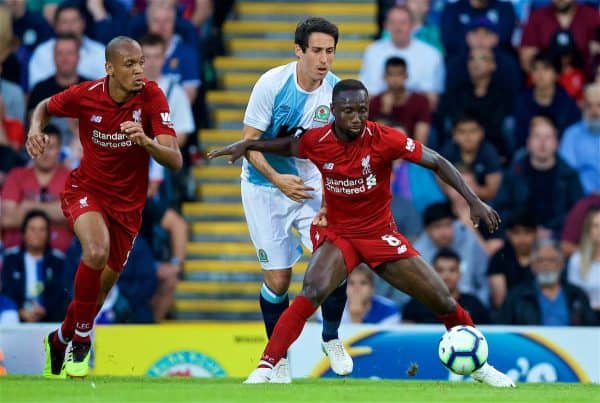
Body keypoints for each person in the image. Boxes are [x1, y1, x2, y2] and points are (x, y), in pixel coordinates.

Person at [209, 79, 515, 387]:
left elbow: (435, 161)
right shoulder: (318, 139)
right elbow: (289, 145)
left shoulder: (385, 139)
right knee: (311, 292)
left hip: (380, 235)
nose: (357, 118)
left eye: (362, 110)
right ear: (333, 111)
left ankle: (481, 367)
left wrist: (473, 200)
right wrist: (248, 145)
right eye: (349, 111)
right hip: (339, 235)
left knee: (443, 301)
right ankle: (266, 366)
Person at [26, 36, 182, 379]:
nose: (139, 70)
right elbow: (44, 107)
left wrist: (146, 141)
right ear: (109, 68)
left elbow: (175, 159)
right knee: (95, 251)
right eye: (130, 64)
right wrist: (35, 129)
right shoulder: (86, 94)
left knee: (94, 299)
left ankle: (61, 337)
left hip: (128, 209)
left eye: (141, 62)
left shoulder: (152, 95)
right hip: (86, 191)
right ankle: (82, 343)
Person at [236, 17, 352, 383]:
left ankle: (331, 337)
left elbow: (341, 154)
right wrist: (277, 180)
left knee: (337, 259)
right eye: (316, 51)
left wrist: (328, 202)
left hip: (310, 182)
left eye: (330, 51)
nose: (323, 59)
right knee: (279, 280)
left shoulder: (335, 94)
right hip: (262, 185)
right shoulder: (272, 84)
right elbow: (247, 144)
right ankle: (279, 355)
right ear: (298, 50)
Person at [495, 116, 584, 240]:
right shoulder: (513, 174)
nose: (542, 142)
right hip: (520, 237)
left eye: (548, 137)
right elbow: (500, 210)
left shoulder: (569, 175)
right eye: (537, 137)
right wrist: (524, 230)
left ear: (557, 144)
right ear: (528, 143)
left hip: (558, 237)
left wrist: (552, 232)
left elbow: (577, 213)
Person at [1, 125, 73, 252]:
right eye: (41, 147)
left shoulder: (72, 177)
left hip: (62, 259)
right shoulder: (16, 175)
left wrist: (28, 207)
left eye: (50, 147)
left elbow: (73, 215)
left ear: (59, 150)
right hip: (15, 257)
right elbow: (7, 218)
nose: (45, 153)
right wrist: (55, 210)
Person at [498, 238, 597, 326]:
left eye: (551, 260)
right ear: (533, 266)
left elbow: (591, 331)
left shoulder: (577, 296)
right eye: (540, 260)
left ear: (561, 264)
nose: (546, 265)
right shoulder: (517, 297)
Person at [359, 5, 444, 107]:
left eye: (403, 23)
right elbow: (366, 94)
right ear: (386, 25)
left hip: (417, 116)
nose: (398, 28)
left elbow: (432, 99)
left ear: (413, 25)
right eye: (393, 23)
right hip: (380, 113)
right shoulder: (372, 51)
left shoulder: (432, 55)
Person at [414, 202, 489, 304]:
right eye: (437, 227)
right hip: (432, 307)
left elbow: (484, 280)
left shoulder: (468, 239)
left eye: (448, 225)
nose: (444, 233)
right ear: (427, 230)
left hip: (469, 305)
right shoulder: (417, 252)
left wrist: (479, 307)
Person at [1, 210, 67, 323]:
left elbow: (62, 294)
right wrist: (20, 311)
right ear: (24, 233)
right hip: (16, 318)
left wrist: (45, 310)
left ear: (48, 234)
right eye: (32, 229)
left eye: (42, 229)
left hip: (51, 320)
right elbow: (6, 291)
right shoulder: (11, 258)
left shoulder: (58, 260)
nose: (37, 233)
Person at [27, 3, 105, 90]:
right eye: (64, 22)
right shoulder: (42, 53)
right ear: (55, 26)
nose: (70, 26)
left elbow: (105, 90)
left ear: (83, 24)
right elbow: (37, 90)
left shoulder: (100, 52)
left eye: (74, 21)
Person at [403, 248, 490, 324]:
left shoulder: (474, 304)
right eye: (440, 270)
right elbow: (406, 338)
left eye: (452, 270)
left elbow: (489, 333)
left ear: (459, 273)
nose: (446, 276)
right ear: (431, 274)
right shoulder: (416, 305)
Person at [368, 57, 431, 143]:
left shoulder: (420, 101)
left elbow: (421, 140)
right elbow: (375, 140)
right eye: (391, 74)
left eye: (399, 74)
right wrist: (385, 111)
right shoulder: (375, 102)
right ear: (384, 77)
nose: (395, 79)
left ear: (406, 76)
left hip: (411, 151)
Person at [487, 210, 537, 313]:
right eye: (516, 233)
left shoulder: (543, 257)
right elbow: (499, 301)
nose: (522, 239)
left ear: (535, 233)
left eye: (527, 232)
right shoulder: (499, 258)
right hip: (510, 315)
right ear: (508, 234)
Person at [560, 83, 600, 195]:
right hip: (582, 200)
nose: (594, 112)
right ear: (582, 106)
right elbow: (567, 173)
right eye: (589, 105)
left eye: (599, 105)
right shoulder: (571, 135)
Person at [566, 209, 600, 320]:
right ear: (588, 230)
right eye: (596, 225)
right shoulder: (576, 260)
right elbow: (573, 294)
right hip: (586, 318)